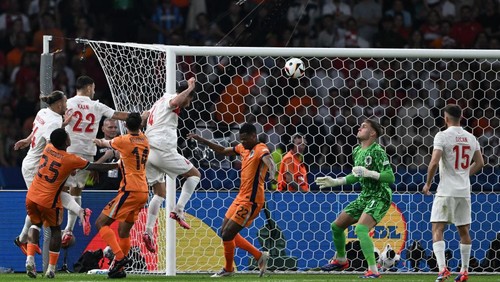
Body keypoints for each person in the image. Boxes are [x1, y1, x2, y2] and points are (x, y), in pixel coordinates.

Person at [25, 128, 117, 278]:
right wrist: (117, 165)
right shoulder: (70, 159)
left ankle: (29, 259)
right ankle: (51, 269)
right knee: (55, 231)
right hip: (49, 200)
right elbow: (95, 166)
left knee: (35, 225)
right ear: (66, 141)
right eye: (68, 136)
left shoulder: (48, 148)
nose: (69, 137)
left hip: (32, 195)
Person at [187, 123, 276, 277]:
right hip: (240, 197)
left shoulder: (261, 148)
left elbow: (270, 161)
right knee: (225, 232)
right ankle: (258, 256)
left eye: (246, 140)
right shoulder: (242, 148)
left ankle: (229, 269)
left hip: (252, 201)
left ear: (254, 136)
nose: (243, 143)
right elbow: (222, 150)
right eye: (241, 140)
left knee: (228, 234)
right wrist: (202, 139)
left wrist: (273, 174)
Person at [315, 118, 394, 279]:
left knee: (360, 229)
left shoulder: (377, 151)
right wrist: (337, 181)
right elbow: (356, 176)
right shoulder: (357, 150)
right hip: (365, 195)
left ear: (372, 133)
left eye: (364, 127)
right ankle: (342, 260)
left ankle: (373, 270)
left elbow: (390, 177)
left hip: (379, 196)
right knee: (337, 226)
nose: (359, 128)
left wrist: (370, 173)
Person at [13, 90, 89, 255]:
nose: (67, 106)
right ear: (60, 103)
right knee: (43, 201)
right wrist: (68, 166)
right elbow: (52, 147)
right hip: (37, 167)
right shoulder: (54, 121)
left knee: (55, 195)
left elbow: (38, 131)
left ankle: (22, 239)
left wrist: (27, 140)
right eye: (66, 103)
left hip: (33, 163)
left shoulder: (43, 112)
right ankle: (22, 239)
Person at [62, 75, 130, 246]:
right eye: (92, 88)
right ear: (88, 87)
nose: (94, 91)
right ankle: (69, 229)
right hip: (87, 153)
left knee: (62, 190)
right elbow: (118, 115)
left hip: (69, 151)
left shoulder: (67, 103)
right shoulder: (96, 105)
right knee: (77, 190)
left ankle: (72, 220)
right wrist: (140, 116)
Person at [422, 104, 484, 282]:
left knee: (437, 228)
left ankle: (443, 269)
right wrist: (464, 174)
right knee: (464, 230)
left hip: (446, 190)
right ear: (461, 117)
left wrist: (428, 183)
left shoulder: (442, 135)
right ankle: (464, 270)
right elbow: (480, 163)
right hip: (464, 191)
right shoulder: (471, 137)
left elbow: (434, 162)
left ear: (446, 118)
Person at [141, 77, 201, 253]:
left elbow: (145, 120)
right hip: (162, 150)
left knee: (159, 193)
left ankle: (148, 231)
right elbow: (177, 101)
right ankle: (179, 209)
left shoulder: (157, 103)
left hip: (148, 151)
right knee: (195, 174)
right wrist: (190, 88)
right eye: (189, 99)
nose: (188, 104)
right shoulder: (170, 99)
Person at [93, 113, 149, 279]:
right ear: (139, 126)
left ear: (125, 126)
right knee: (124, 232)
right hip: (143, 191)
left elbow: (104, 142)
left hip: (130, 190)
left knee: (101, 223)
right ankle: (119, 270)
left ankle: (119, 257)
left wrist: (94, 141)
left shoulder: (123, 141)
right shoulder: (145, 139)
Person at [89, 118, 122, 190]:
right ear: (103, 129)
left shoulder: (123, 145)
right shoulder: (96, 144)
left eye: (115, 127)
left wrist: (120, 157)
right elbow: (91, 168)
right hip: (100, 185)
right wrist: (105, 157)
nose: (113, 130)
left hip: (119, 186)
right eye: (110, 127)